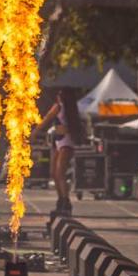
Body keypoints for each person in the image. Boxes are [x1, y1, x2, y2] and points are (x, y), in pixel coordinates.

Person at [35, 88, 84, 219]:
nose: (57, 96)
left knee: (59, 172)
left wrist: (34, 133)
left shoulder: (59, 106)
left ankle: (65, 201)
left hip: (65, 141)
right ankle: (61, 199)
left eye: (59, 94)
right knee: (53, 173)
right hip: (58, 141)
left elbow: (46, 120)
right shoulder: (68, 108)